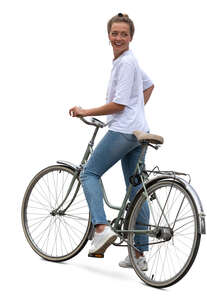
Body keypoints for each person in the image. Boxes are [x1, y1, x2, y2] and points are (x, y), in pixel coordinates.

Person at [69, 13, 154, 271]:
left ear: (131, 37)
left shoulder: (126, 63)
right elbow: (149, 86)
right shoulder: (128, 62)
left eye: (124, 34)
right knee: (137, 191)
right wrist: (137, 111)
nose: (118, 38)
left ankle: (101, 228)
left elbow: (119, 104)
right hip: (139, 131)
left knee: (89, 173)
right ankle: (138, 255)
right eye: (115, 33)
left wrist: (86, 111)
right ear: (109, 36)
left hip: (124, 131)